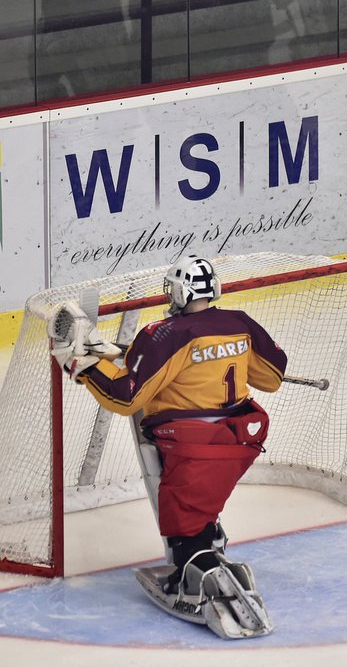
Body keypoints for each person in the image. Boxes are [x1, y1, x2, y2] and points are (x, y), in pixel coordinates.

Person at [48, 255, 287, 638]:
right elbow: (272, 377)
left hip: (191, 443)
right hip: (239, 438)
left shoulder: (163, 333)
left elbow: (126, 397)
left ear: (177, 291)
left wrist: (83, 366)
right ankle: (206, 544)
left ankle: (194, 567)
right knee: (198, 502)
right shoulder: (240, 324)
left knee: (179, 506)